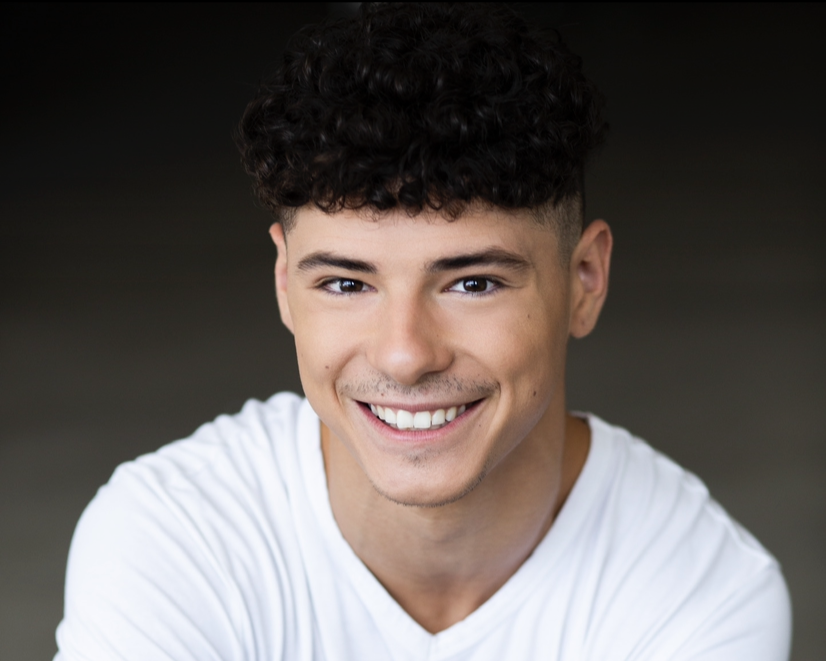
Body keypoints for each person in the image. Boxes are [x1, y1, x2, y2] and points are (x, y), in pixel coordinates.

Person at [54, 4, 792, 659]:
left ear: (585, 280)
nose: (405, 354)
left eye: (473, 283)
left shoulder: (702, 597)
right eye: (346, 283)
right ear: (284, 284)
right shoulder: (173, 538)